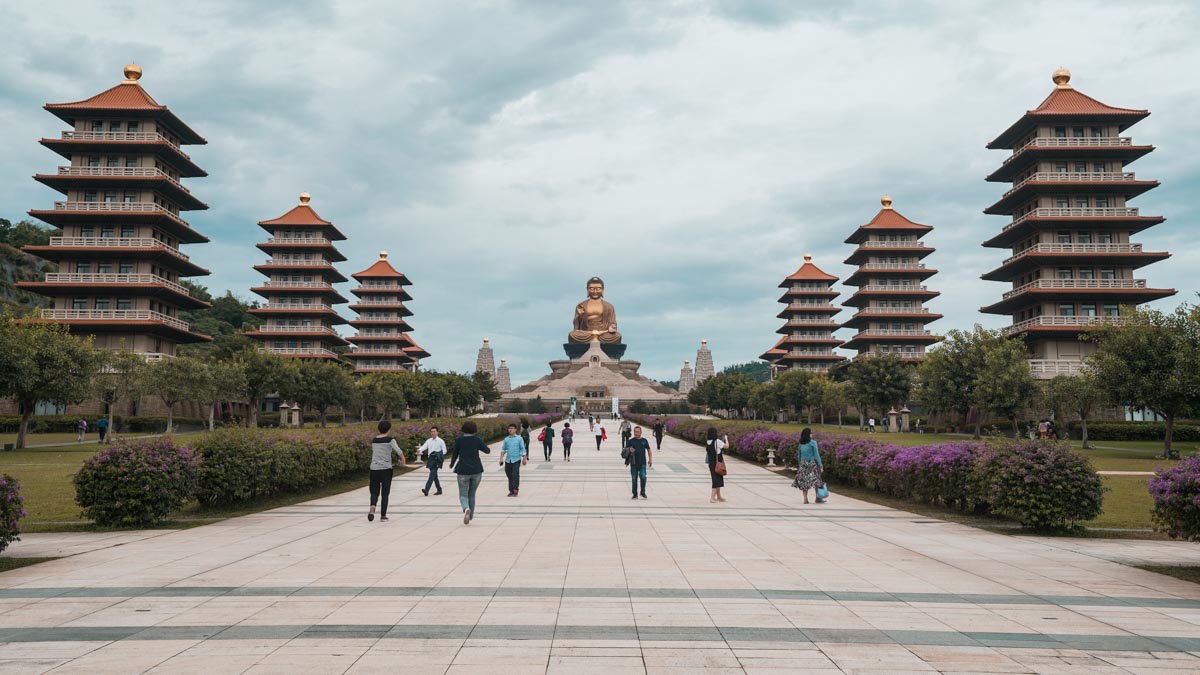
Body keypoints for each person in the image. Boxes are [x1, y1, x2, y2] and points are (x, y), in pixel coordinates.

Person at [450, 420, 490, 524]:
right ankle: (470, 516)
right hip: (476, 470)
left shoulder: (459, 440)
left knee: (463, 494)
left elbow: (455, 454)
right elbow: (487, 450)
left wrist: (452, 464)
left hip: (463, 470)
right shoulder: (477, 440)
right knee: (472, 494)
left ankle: (466, 508)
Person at [368, 420, 405, 522]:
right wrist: (403, 459)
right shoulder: (390, 440)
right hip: (386, 469)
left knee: (374, 491)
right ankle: (383, 515)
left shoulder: (374, 440)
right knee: (385, 492)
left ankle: (372, 507)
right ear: (388, 429)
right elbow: (398, 450)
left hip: (374, 469)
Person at [793, 427, 824, 505]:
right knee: (816, 480)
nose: (812, 434)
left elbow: (799, 456)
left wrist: (799, 465)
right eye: (811, 433)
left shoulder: (801, 444)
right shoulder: (813, 443)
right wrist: (820, 466)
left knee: (804, 482)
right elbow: (817, 455)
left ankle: (805, 498)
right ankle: (818, 497)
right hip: (812, 464)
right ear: (808, 434)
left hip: (803, 464)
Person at [418, 426, 446, 496]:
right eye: (431, 431)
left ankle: (426, 490)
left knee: (432, 475)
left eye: (434, 431)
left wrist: (438, 454)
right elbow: (424, 446)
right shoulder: (429, 440)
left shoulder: (441, 441)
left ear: (437, 432)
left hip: (437, 460)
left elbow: (445, 451)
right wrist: (420, 450)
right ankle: (439, 490)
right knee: (434, 476)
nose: (433, 433)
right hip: (430, 460)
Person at [501, 424, 528, 496]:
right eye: (509, 428)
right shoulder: (506, 439)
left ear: (515, 429)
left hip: (516, 460)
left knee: (515, 474)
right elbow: (503, 449)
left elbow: (523, 449)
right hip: (508, 460)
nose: (510, 430)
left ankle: (515, 489)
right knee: (509, 475)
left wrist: (524, 458)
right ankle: (511, 490)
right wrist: (501, 458)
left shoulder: (519, 438)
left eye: (512, 428)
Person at [626, 426, 652, 499]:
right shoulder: (630, 441)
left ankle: (642, 492)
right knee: (634, 479)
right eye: (635, 432)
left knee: (643, 477)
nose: (636, 433)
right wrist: (629, 450)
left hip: (642, 463)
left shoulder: (644, 440)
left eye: (637, 432)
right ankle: (635, 494)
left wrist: (650, 459)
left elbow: (649, 450)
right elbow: (624, 451)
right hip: (633, 463)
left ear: (641, 432)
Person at [705, 427, 728, 503]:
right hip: (717, 463)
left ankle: (719, 497)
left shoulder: (708, 442)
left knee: (717, 480)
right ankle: (712, 498)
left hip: (711, 463)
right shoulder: (717, 441)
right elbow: (727, 446)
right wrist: (726, 439)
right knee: (716, 481)